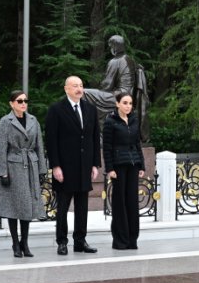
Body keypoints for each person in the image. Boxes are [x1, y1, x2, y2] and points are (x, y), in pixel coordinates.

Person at [45, 76, 101, 255]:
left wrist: (95, 164)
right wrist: (55, 166)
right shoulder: (56, 109)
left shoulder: (90, 109)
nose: (79, 89)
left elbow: (93, 138)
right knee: (62, 207)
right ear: (66, 89)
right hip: (65, 167)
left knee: (82, 207)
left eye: (81, 86)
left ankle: (80, 241)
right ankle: (62, 241)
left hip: (84, 167)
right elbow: (51, 140)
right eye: (75, 86)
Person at [0, 90, 47, 258]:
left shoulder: (33, 120)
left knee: (28, 206)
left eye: (25, 100)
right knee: (14, 206)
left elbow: (39, 145)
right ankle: (15, 243)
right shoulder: (5, 121)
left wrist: (41, 169)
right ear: (11, 103)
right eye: (19, 101)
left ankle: (25, 242)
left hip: (31, 165)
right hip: (14, 167)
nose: (23, 103)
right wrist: (3, 172)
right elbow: (1, 148)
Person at [102, 91, 145, 249]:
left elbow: (137, 144)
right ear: (117, 104)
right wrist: (110, 168)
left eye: (130, 103)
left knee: (132, 202)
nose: (128, 106)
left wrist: (141, 165)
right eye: (125, 103)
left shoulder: (134, 120)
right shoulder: (110, 121)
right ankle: (120, 240)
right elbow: (107, 148)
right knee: (119, 203)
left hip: (133, 165)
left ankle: (132, 239)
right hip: (118, 166)